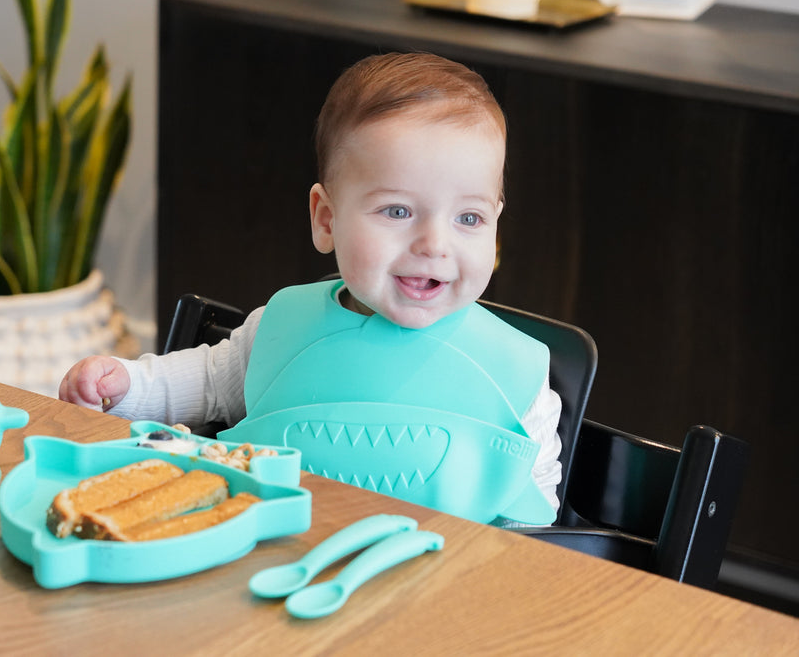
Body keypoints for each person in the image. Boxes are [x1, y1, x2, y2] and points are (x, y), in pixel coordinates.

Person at [60, 52, 562, 524]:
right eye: (397, 211)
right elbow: (210, 385)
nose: (435, 244)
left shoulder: (516, 374)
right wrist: (126, 386)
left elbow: (532, 515)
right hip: (267, 561)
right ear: (326, 219)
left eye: (468, 217)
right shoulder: (281, 327)